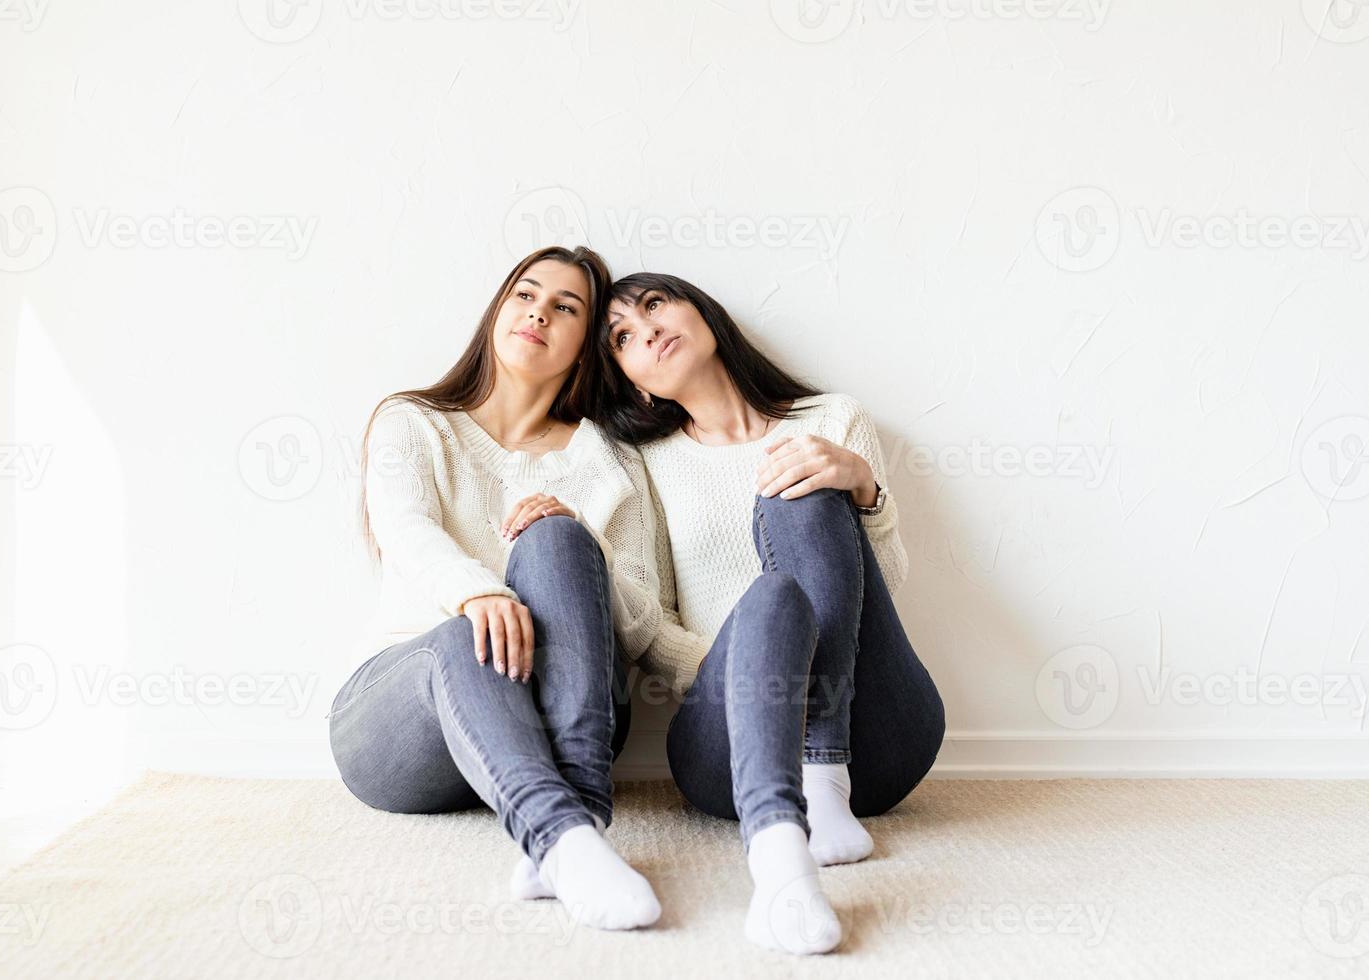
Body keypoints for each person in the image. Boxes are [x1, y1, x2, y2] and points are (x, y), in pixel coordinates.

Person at [328, 246, 692, 932]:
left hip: (563, 728)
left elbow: (644, 618)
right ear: (498, 309)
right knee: (461, 637)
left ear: (587, 345)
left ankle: (575, 819)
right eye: (525, 295)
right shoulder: (413, 421)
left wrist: (586, 543)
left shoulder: (611, 460)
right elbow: (405, 531)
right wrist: (480, 594)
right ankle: (562, 835)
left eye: (565, 307)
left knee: (557, 535)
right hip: (400, 722)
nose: (538, 313)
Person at [594, 271, 947, 954]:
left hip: (879, 741)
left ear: (703, 313)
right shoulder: (644, 462)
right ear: (634, 381)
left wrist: (865, 490)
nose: (647, 329)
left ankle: (825, 766)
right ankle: (800, 799)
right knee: (774, 597)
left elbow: (887, 585)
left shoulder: (830, 420)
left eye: (655, 305)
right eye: (623, 337)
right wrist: (754, 662)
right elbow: (646, 624)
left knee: (802, 482)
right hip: (730, 745)